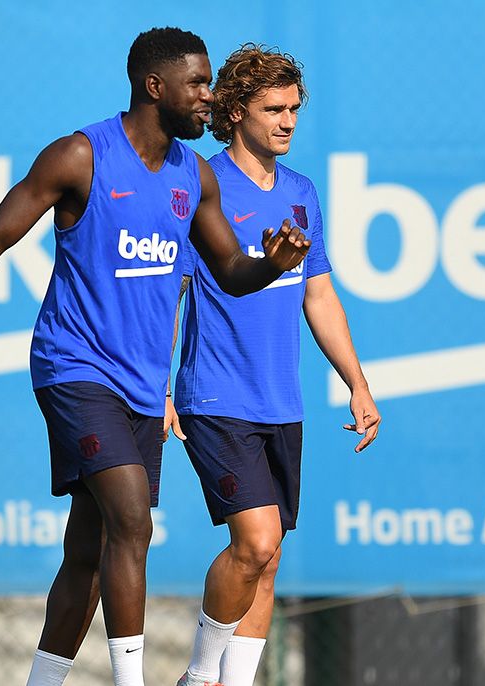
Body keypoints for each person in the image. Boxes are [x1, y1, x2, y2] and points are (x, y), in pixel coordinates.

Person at [0, 27, 310, 686]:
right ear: (156, 87)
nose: (209, 96)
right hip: (74, 367)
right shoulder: (80, 157)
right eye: (197, 84)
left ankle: (41, 680)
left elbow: (229, 269)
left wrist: (271, 265)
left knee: (89, 550)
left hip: (140, 386)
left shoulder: (193, 176)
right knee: (131, 516)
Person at [167, 45, 380, 686]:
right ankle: (201, 675)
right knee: (254, 541)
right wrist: (160, 389)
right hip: (214, 397)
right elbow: (169, 294)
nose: (287, 121)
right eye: (272, 109)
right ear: (234, 112)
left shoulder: (301, 192)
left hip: (281, 402)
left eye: (293, 109)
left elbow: (319, 294)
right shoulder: (201, 185)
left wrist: (358, 383)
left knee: (269, 558)